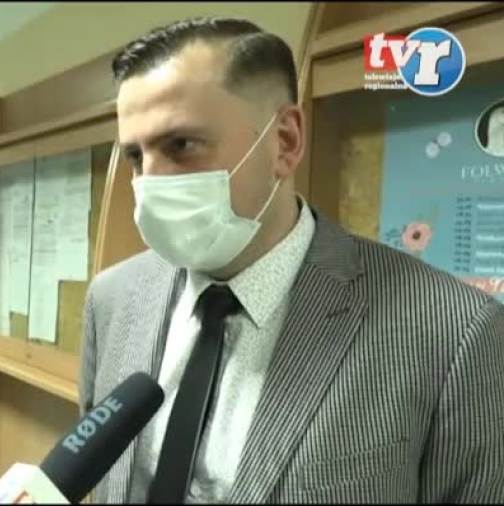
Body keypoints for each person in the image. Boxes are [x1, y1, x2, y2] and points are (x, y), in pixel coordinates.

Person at [79, 17, 504, 504]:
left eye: (182, 145)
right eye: (136, 157)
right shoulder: (111, 299)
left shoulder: (455, 333)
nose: (149, 185)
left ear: (285, 142)